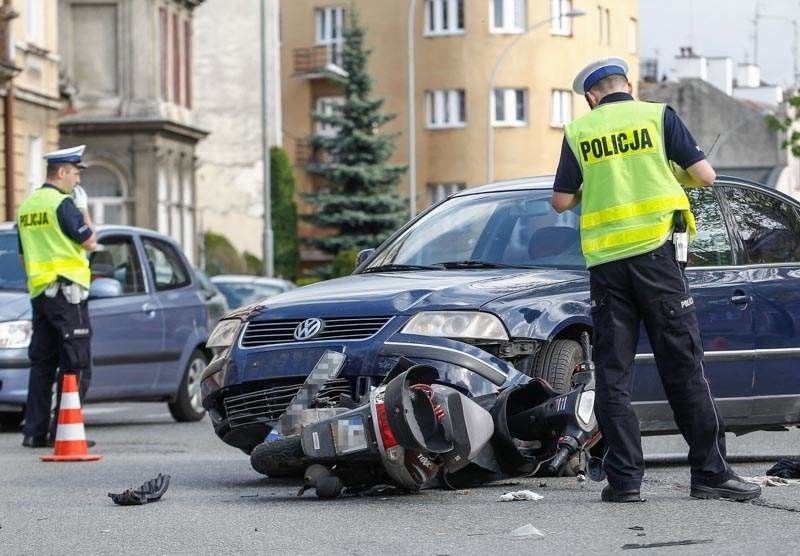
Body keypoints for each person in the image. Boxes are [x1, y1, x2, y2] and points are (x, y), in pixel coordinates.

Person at [551, 58, 760, 502]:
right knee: (682, 365)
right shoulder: (657, 115)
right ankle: (710, 473)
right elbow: (705, 176)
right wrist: (671, 173)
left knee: (612, 372)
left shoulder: (579, 133)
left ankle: (624, 481)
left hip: (607, 265)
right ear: (628, 85)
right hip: (657, 260)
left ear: (591, 97)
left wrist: (598, 184)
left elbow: (560, 200)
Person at [17, 145, 97, 448]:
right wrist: (84, 209)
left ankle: (34, 432)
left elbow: (25, 258)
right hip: (69, 292)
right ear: (61, 172)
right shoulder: (62, 204)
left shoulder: (27, 207)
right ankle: (64, 430)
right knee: (77, 363)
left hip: (40, 293)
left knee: (42, 364)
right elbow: (90, 242)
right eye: (75, 174)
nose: (77, 180)